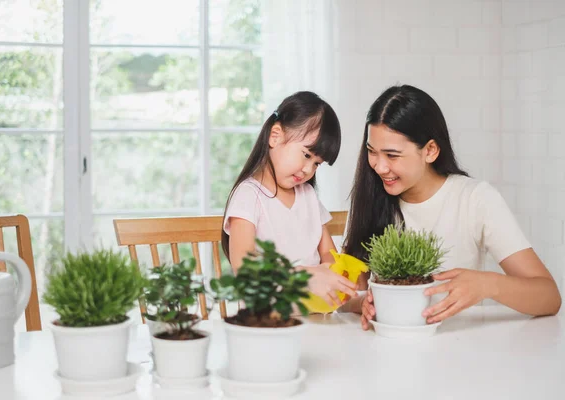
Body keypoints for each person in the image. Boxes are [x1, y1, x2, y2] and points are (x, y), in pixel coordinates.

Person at [340, 84, 561, 329]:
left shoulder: (475, 199)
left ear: (431, 151)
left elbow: (549, 298)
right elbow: (347, 295)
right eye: (372, 152)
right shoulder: (369, 199)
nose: (379, 167)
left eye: (392, 155)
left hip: (460, 351)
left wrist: (488, 285)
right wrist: (363, 303)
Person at [222, 91, 357, 307]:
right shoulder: (249, 196)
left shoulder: (308, 195)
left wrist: (329, 272)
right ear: (275, 136)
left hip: (314, 318)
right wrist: (306, 278)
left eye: (317, 164)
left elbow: (328, 253)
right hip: (270, 321)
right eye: (306, 155)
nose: (308, 169)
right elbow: (244, 269)